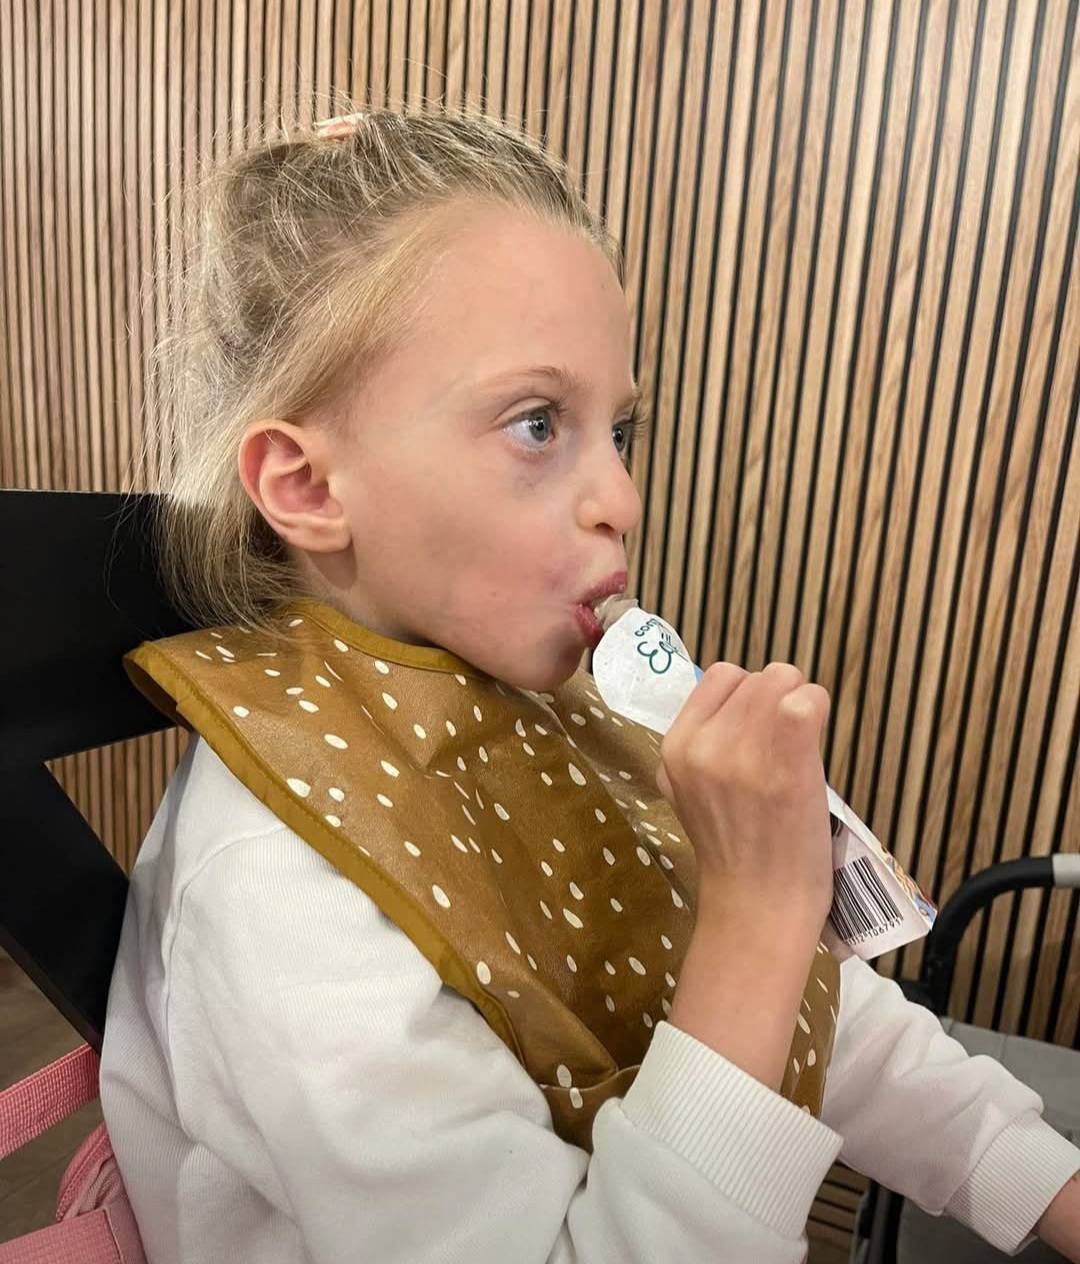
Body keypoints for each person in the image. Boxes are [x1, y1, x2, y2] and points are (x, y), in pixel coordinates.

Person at [99, 105, 1080, 1264]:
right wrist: (756, 920)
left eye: (621, 431)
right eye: (536, 423)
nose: (622, 496)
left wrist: (1043, 1180)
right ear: (308, 486)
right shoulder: (279, 888)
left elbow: (824, 1021)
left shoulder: (540, 714)